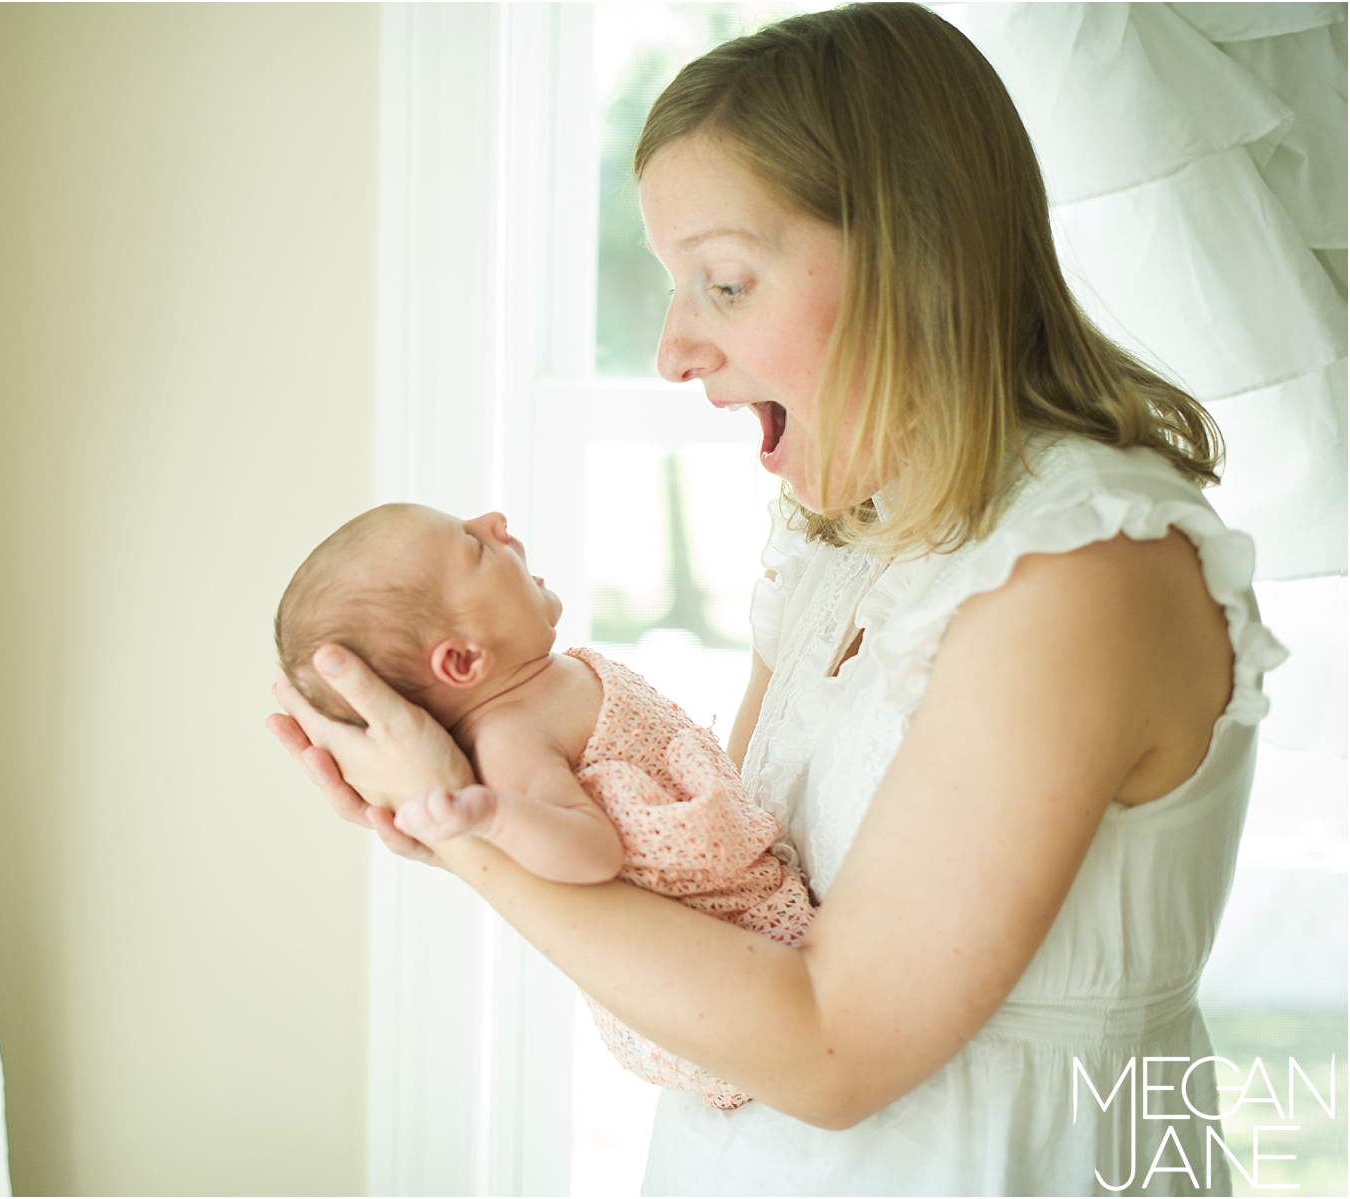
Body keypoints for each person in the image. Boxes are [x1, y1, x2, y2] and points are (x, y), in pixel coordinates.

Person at [270, 4, 1284, 1193]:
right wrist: (476, 802)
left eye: (727, 281)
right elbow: (734, 912)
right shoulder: (844, 541)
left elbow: (833, 1045)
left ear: (917, 255)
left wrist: (467, 840)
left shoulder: (1077, 570)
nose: (674, 347)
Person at [273, 501, 812, 1110]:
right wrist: (490, 816)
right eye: (473, 546)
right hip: (730, 953)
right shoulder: (510, 741)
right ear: (463, 660)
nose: (494, 521)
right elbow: (590, 853)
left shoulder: (549, 678)